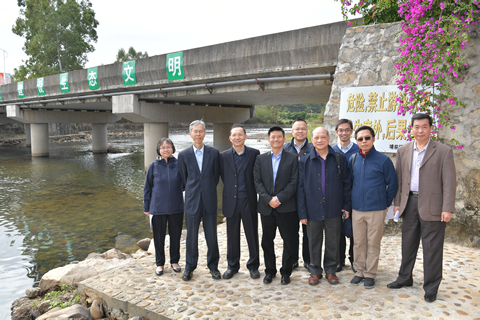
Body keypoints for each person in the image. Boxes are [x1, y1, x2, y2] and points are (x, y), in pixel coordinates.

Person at [387, 113, 456, 303]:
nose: (420, 130)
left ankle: (431, 286)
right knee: (407, 244)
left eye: (424, 127)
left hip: (433, 206)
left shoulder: (443, 151)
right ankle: (404, 278)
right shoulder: (403, 150)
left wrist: (447, 208)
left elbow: (449, 182)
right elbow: (399, 180)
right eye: (416, 127)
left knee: (432, 248)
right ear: (411, 129)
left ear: (430, 128)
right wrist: (398, 203)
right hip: (409, 204)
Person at [297, 127, 352, 285]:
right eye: (316, 138)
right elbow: (300, 188)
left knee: (333, 241)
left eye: (323, 137)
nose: (319, 140)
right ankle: (315, 271)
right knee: (313, 241)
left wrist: (346, 206)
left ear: (329, 138)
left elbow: (347, 184)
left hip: (334, 207)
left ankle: (330, 270)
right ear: (312, 140)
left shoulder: (339, 158)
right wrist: (302, 213)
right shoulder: (305, 159)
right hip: (312, 208)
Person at [349, 126, 398, 289]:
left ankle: (370, 274)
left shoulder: (383, 160)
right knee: (358, 242)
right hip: (357, 209)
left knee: (373, 242)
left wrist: (384, 203)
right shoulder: (353, 159)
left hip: (376, 209)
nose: (364, 141)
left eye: (367, 138)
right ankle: (359, 271)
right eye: (360, 139)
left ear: (373, 139)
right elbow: (349, 183)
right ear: (357, 141)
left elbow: (393, 184)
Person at [254, 126, 298, 285]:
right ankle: (270, 271)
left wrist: (279, 198)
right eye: (273, 137)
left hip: (286, 207)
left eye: (279, 137)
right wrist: (267, 199)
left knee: (289, 241)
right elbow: (257, 182)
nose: (276, 139)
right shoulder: (261, 159)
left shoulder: (293, 158)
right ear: (269, 139)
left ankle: (286, 272)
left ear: (284, 139)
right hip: (266, 208)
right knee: (267, 241)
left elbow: (294, 182)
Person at [178, 120, 221, 281]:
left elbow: (215, 177)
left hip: (209, 199)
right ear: (190, 134)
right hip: (191, 201)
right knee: (191, 237)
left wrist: (207, 189)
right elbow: (183, 178)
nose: (198, 134)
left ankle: (213, 267)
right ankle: (190, 267)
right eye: (195, 131)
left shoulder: (214, 152)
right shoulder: (183, 155)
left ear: (205, 133)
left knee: (212, 236)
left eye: (201, 131)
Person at [219, 125, 261, 279]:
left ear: (245, 136)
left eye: (240, 134)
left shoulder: (254, 153)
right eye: (234, 135)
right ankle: (232, 266)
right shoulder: (223, 156)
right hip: (231, 201)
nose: (237, 137)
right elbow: (223, 176)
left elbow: (257, 175)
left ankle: (253, 266)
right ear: (230, 138)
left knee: (252, 235)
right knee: (232, 235)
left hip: (249, 200)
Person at [143, 138, 184, 276]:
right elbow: (147, 188)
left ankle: (174, 261)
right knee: (158, 237)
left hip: (177, 207)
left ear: (173, 148)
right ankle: (160, 264)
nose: (166, 149)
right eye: (162, 147)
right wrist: (146, 207)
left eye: (168, 146)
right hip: (157, 208)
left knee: (175, 236)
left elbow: (186, 184)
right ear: (158, 150)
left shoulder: (179, 164)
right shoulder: (153, 166)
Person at [283, 119, 313, 270]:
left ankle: (308, 260)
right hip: (290, 197)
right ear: (292, 131)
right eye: (297, 129)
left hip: (309, 196)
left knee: (308, 231)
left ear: (307, 131)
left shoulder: (313, 148)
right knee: (291, 231)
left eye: (303, 129)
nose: (300, 131)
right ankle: (293, 259)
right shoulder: (285, 148)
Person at [332, 119, 360, 273]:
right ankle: (339, 259)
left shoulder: (358, 149)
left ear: (351, 132)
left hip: (355, 195)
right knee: (338, 229)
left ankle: (354, 259)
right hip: (337, 197)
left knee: (355, 230)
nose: (344, 133)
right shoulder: (331, 150)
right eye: (341, 130)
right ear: (336, 132)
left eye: (347, 130)